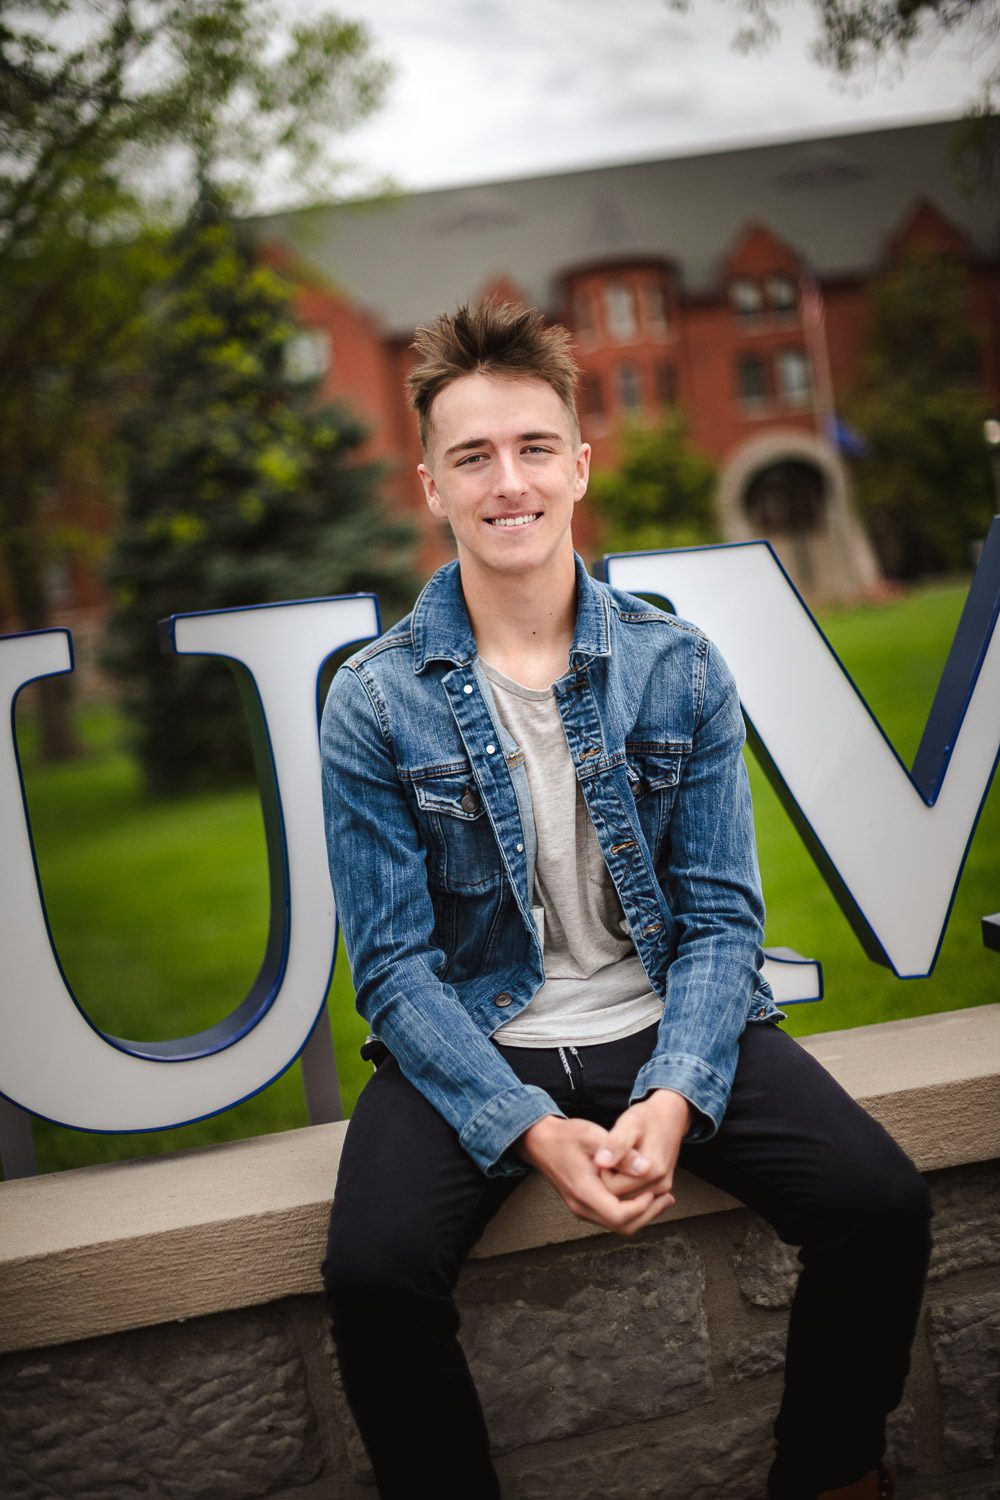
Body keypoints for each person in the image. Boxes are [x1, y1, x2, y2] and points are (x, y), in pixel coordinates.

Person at [319, 299, 930, 1500]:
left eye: (534, 447)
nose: (509, 483)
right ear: (431, 486)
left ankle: (828, 1476)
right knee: (375, 1272)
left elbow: (717, 923)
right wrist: (529, 1129)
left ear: (579, 464)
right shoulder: (373, 701)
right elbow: (392, 970)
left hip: (660, 1014)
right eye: (472, 457)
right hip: (480, 1036)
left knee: (878, 1203)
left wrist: (676, 1088)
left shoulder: (678, 665)